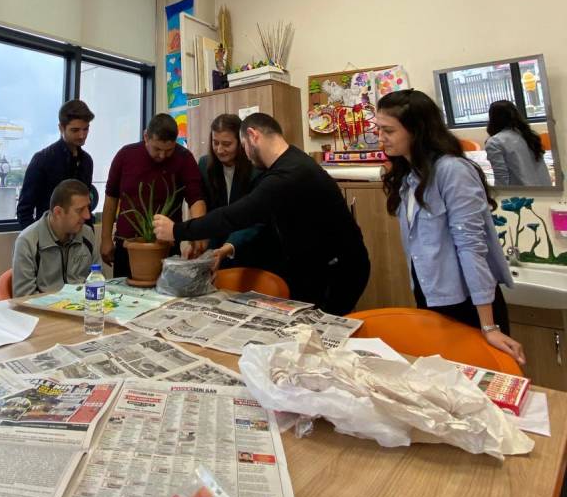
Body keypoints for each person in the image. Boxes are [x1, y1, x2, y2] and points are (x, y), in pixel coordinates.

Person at [154, 113, 370, 314]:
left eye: (243, 145)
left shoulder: (287, 174)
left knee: (320, 331)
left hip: (338, 270)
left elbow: (236, 215)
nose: (245, 154)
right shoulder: (291, 161)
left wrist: (177, 230)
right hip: (312, 265)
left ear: (252, 136)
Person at [375, 89, 525, 364]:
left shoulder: (453, 171)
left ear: (417, 131)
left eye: (388, 130)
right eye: (379, 129)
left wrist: (488, 326)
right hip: (431, 295)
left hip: (468, 303)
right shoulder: (409, 177)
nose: (380, 137)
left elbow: (471, 247)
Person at [101, 113, 206, 279]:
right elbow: (111, 197)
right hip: (127, 246)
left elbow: (196, 199)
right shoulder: (125, 155)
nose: (162, 156)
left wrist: (199, 233)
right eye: (157, 149)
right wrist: (106, 238)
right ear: (146, 137)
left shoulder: (184, 159)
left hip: (167, 247)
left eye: (169, 150)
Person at [198, 113, 265, 271]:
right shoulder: (205, 164)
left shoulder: (257, 168)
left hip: (250, 250)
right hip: (215, 249)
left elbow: (257, 218)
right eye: (215, 143)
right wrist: (196, 238)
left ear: (241, 142)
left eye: (227, 144)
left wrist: (229, 246)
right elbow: (206, 209)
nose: (220, 150)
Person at [17, 100, 94, 229]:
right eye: (75, 130)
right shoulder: (42, 159)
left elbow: (86, 205)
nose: (82, 135)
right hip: (47, 235)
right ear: (61, 128)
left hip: (79, 236)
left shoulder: (87, 161)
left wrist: (89, 236)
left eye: (86, 129)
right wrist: (36, 239)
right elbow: (24, 210)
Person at [13, 179, 97, 296]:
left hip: (84, 304)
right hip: (43, 306)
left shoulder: (87, 234)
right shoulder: (27, 241)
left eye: (88, 208)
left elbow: (98, 280)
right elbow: (24, 297)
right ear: (58, 212)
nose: (87, 215)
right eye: (80, 210)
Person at [485, 99, 551, 187]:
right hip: (546, 189)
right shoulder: (528, 135)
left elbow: (501, 178)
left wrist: (497, 194)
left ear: (492, 119)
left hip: (522, 192)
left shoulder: (495, 142)